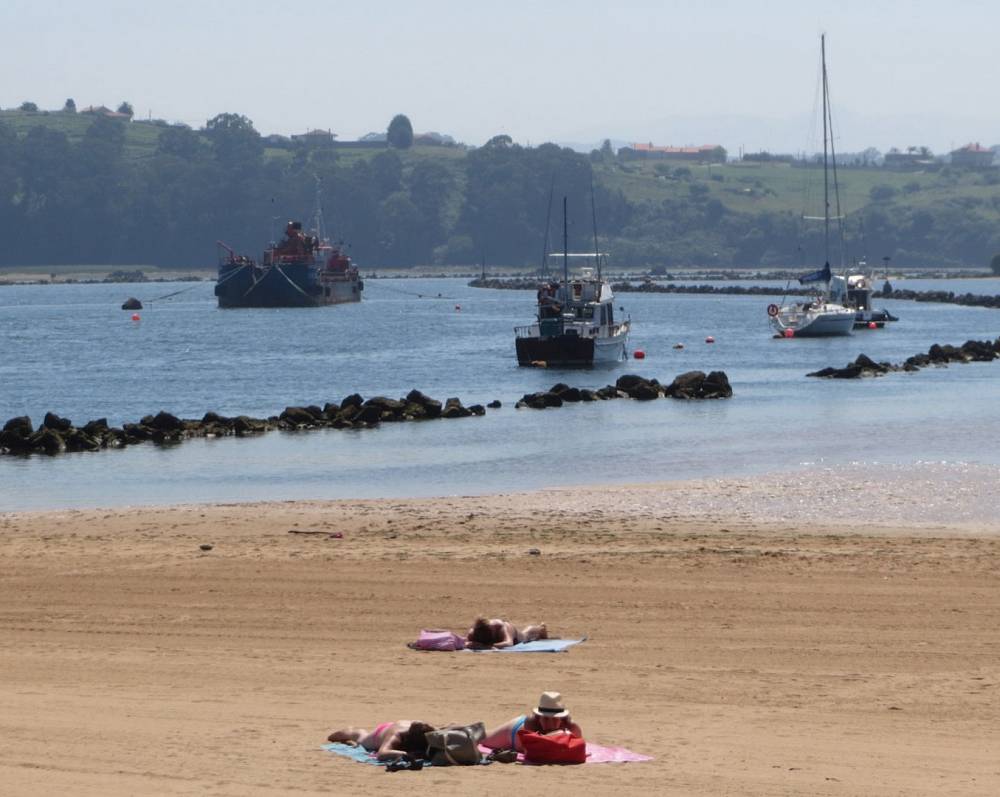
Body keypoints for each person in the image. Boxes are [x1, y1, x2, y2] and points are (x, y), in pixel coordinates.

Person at [480, 691, 583, 752]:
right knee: (482, 737)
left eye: (555, 719)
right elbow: (535, 751)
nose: (550, 724)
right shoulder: (530, 725)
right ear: (538, 717)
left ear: (562, 719)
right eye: (546, 718)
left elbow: (578, 748)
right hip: (512, 731)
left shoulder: (572, 726)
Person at [326, 720, 436, 761]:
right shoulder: (396, 736)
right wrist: (407, 754)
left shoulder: (427, 729)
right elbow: (382, 753)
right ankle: (350, 731)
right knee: (360, 737)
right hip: (379, 734)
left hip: (397, 724)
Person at [464, 617, 548, 650]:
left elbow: (509, 643)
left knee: (525, 635)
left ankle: (540, 629)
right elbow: (465, 642)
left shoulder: (502, 627)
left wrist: (487, 646)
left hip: (514, 635)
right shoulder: (474, 632)